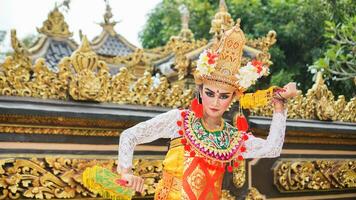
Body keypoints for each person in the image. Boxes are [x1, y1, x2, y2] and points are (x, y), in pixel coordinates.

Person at [117, 24, 297, 200]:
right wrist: (126, 172)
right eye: (210, 93)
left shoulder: (231, 138)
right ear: (201, 92)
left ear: (233, 98)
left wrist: (279, 108)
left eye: (224, 96)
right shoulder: (179, 120)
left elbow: (272, 149)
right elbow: (129, 136)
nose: (216, 102)